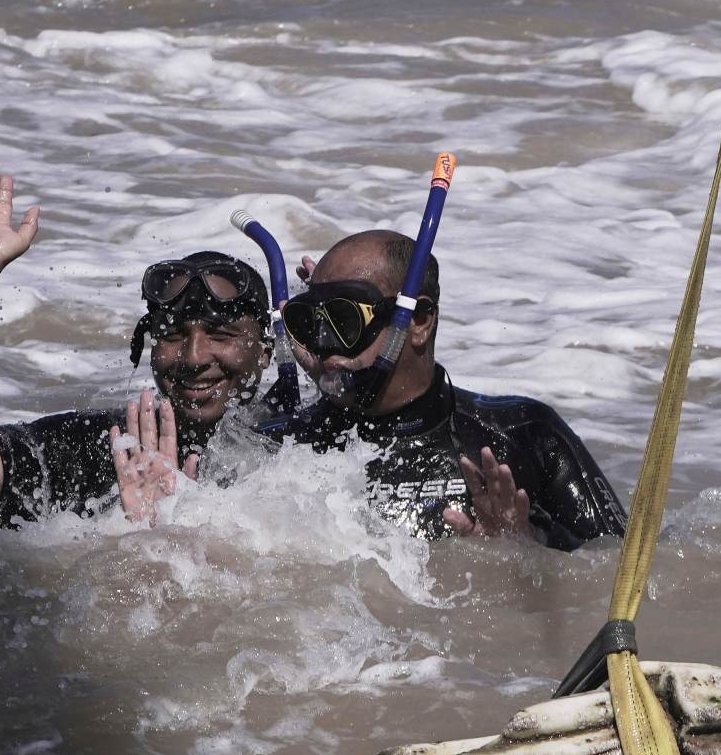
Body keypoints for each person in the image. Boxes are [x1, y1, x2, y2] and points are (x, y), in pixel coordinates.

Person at [0, 164, 280, 527]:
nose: (194, 356)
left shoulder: (300, 450)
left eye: (220, 334)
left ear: (265, 350)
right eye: (172, 336)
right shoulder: (95, 450)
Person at [258, 229, 625, 547]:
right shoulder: (277, 448)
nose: (325, 345)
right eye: (311, 323)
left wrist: (528, 546)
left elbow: (625, 568)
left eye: (345, 320)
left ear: (419, 320)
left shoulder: (523, 435)